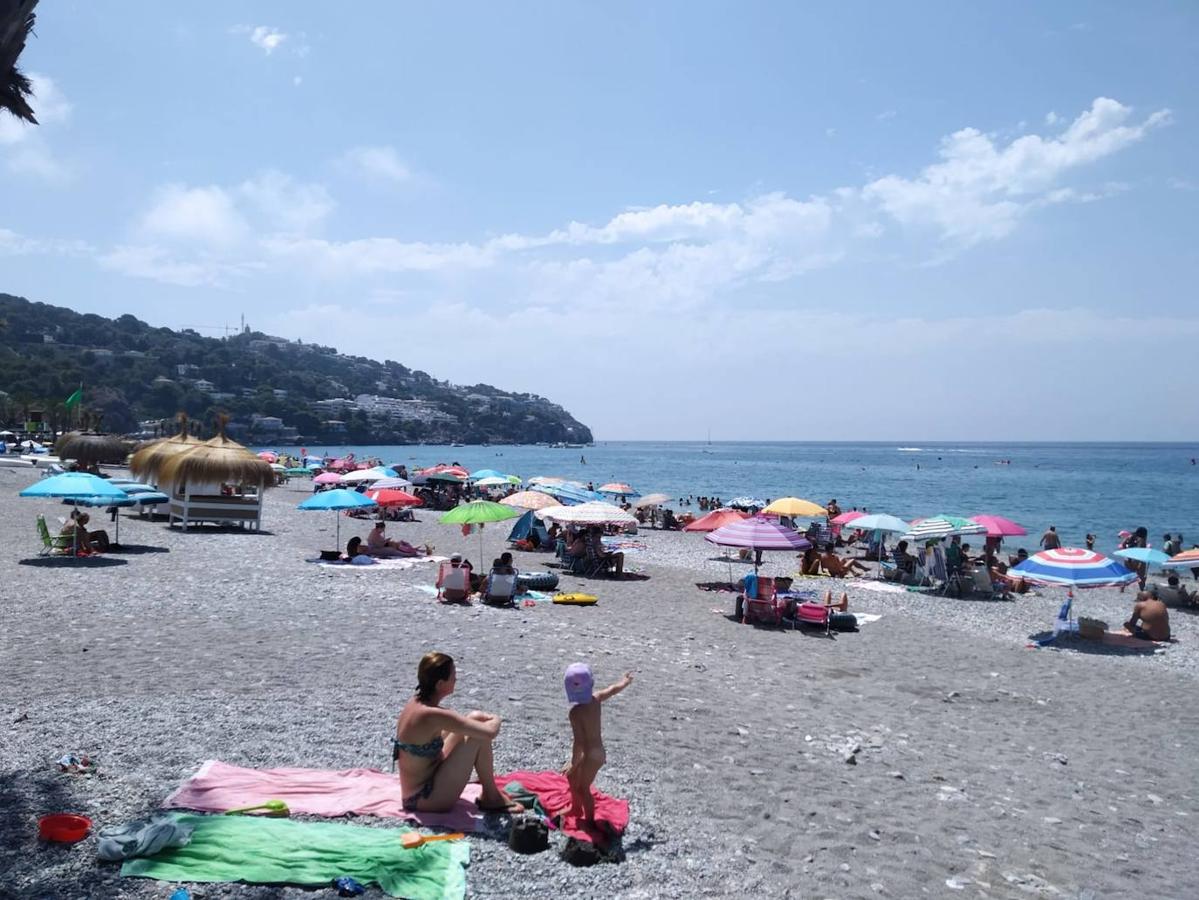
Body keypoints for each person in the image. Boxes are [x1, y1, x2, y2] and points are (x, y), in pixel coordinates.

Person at [393, 652, 523, 814]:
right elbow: (490, 732)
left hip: (423, 784)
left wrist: (480, 718)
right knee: (479, 735)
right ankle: (491, 797)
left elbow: (462, 722)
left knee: (474, 719)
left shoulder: (416, 704)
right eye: (453, 675)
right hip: (422, 799)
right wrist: (497, 718)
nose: (456, 679)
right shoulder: (431, 715)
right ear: (440, 684)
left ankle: (490, 795)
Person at [563, 663, 633, 827]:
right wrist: (625, 682)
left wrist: (573, 762)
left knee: (583, 788)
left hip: (592, 757)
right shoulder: (596, 698)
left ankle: (589, 821)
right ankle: (576, 808)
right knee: (571, 776)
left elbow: (579, 742)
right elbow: (612, 689)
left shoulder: (575, 713)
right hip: (596, 753)